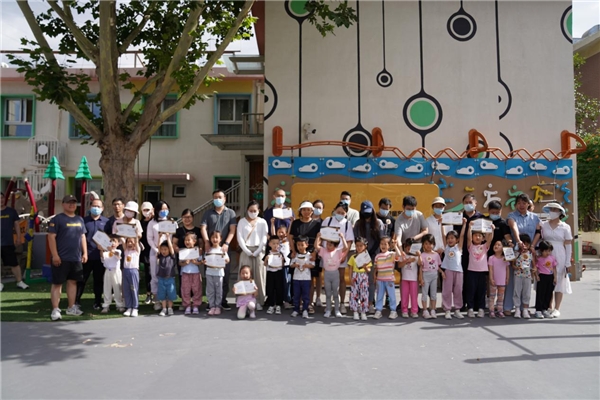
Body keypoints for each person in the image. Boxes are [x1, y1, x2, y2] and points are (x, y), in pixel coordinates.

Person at [48, 195, 88, 321]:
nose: (71, 205)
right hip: (61, 258)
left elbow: (82, 237)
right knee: (57, 283)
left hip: (75, 258)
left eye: (74, 202)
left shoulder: (79, 219)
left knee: (73, 282)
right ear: (63, 204)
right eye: (69, 202)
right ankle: (55, 309)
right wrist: (55, 255)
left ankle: (71, 307)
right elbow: (51, 237)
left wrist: (85, 253)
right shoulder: (57, 219)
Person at [200, 190, 237, 310]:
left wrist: (226, 243)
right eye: (215, 197)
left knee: (224, 276)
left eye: (220, 197)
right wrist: (206, 242)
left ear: (224, 198)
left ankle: (222, 300)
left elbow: (232, 230)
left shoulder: (231, 213)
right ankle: (211, 302)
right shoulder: (208, 213)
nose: (218, 199)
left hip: (223, 249)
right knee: (210, 276)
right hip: (210, 249)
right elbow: (203, 228)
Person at [506, 193, 540, 315]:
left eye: (524, 203)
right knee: (513, 280)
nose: (521, 205)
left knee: (526, 282)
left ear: (528, 204)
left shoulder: (535, 217)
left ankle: (524, 307)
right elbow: (513, 226)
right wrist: (518, 241)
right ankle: (510, 306)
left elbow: (538, 232)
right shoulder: (511, 215)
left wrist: (532, 246)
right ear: (516, 204)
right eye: (519, 203)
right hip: (516, 251)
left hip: (528, 253)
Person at [321, 202, 355, 314]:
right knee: (328, 279)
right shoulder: (328, 220)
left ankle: (341, 303)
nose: (340, 214)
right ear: (334, 210)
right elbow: (322, 236)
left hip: (340, 254)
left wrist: (344, 254)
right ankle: (329, 304)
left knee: (341, 278)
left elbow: (349, 241)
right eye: (338, 212)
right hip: (328, 254)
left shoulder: (347, 223)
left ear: (346, 213)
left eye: (342, 213)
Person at [540, 203, 572, 318]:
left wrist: (568, 262)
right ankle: (549, 306)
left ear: (560, 212)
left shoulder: (565, 227)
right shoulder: (543, 225)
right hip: (546, 254)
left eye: (555, 210)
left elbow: (568, 244)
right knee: (547, 280)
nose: (552, 212)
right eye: (551, 209)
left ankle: (557, 308)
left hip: (560, 254)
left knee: (559, 280)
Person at [452, 194, 483, 310]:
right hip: (461, 252)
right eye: (466, 202)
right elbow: (454, 234)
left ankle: (476, 304)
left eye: (470, 202)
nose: (468, 204)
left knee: (476, 280)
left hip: (477, 254)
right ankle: (462, 303)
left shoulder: (481, 218)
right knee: (462, 279)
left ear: (476, 204)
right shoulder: (458, 218)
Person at [353, 200, 385, 312]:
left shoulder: (378, 223)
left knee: (371, 280)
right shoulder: (358, 224)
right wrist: (362, 253)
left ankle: (370, 303)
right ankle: (361, 302)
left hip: (374, 255)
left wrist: (370, 252)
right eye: (365, 212)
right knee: (360, 280)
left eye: (369, 212)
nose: (367, 215)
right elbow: (356, 239)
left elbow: (380, 239)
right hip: (361, 256)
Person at [76, 198, 108, 309]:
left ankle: (97, 302)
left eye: (98, 206)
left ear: (102, 208)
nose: (96, 208)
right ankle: (76, 301)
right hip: (86, 256)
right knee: (81, 279)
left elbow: (110, 238)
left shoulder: (106, 222)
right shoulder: (83, 221)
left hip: (100, 256)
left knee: (98, 280)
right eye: (94, 206)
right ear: (90, 207)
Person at [237, 200, 268, 311]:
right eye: (251, 210)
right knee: (245, 276)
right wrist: (246, 251)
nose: (253, 212)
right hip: (246, 251)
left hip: (259, 251)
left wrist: (258, 251)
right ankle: (243, 300)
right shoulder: (242, 222)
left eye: (255, 210)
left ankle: (259, 300)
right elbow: (239, 237)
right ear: (247, 210)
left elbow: (264, 237)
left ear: (259, 211)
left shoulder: (262, 222)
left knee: (259, 276)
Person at [313, 231, 348, 318]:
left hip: (335, 274)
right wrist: (318, 237)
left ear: (335, 245)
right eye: (327, 244)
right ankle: (328, 309)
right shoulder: (324, 251)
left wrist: (342, 237)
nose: (328, 246)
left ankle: (337, 310)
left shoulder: (338, 251)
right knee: (328, 293)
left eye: (330, 245)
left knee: (335, 293)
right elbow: (316, 246)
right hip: (327, 274)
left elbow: (346, 247)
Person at [173, 209, 202, 307]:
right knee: (183, 279)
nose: (187, 219)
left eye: (189, 217)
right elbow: (174, 243)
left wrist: (199, 251)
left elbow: (201, 243)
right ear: (182, 218)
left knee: (195, 282)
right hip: (183, 258)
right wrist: (180, 252)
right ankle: (185, 302)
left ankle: (195, 301)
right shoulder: (178, 230)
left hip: (194, 259)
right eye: (184, 217)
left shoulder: (197, 230)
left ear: (193, 218)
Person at [465, 219, 494, 318]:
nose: (477, 237)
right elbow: (468, 238)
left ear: (483, 238)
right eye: (475, 235)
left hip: (482, 272)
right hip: (471, 271)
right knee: (471, 290)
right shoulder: (470, 246)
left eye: (479, 236)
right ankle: (470, 308)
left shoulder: (484, 247)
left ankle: (481, 308)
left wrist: (492, 230)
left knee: (482, 291)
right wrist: (469, 227)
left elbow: (490, 239)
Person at [0, 192, 29, 290]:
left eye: (2, 198)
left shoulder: (11, 211)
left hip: (7, 242)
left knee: (14, 263)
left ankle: (19, 282)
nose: (1, 200)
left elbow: (17, 225)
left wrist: (19, 237)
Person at [147, 200, 171, 311]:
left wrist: (169, 250)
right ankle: (157, 300)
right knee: (155, 276)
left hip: (168, 254)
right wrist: (156, 249)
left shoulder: (171, 222)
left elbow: (172, 238)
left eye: (166, 209)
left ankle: (167, 300)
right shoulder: (152, 223)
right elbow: (149, 238)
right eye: (162, 209)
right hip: (155, 253)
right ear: (156, 210)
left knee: (167, 276)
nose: (164, 211)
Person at [441, 227, 465, 320]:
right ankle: (447, 310)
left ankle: (457, 310)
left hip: (458, 271)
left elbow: (462, 236)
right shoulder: (446, 247)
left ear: (457, 240)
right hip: (448, 271)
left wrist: (464, 224)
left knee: (458, 290)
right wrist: (441, 224)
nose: (450, 240)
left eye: (452, 238)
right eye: (448, 238)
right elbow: (443, 235)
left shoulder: (458, 247)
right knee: (447, 290)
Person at [373, 236, 399, 320]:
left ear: (389, 246)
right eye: (381, 244)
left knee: (391, 295)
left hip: (389, 279)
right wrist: (374, 275)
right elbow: (375, 267)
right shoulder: (377, 256)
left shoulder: (392, 254)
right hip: (380, 279)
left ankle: (393, 311)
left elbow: (399, 255)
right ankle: (378, 310)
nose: (383, 246)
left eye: (385, 244)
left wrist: (395, 246)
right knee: (379, 295)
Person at [178, 232, 204, 315]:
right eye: (185, 240)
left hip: (195, 273)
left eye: (189, 240)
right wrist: (185, 263)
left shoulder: (197, 251)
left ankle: (196, 305)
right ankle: (187, 305)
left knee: (196, 289)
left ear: (194, 241)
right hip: (185, 273)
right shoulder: (183, 251)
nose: (187, 242)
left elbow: (201, 262)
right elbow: (180, 263)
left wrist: (195, 262)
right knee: (185, 289)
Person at [418, 234, 442, 319]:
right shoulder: (422, 255)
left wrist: (442, 272)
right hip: (425, 275)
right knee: (424, 293)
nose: (428, 245)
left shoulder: (436, 255)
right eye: (426, 243)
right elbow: (420, 266)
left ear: (433, 244)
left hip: (434, 275)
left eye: (430, 243)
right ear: (423, 245)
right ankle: (425, 310)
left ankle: (433, 310)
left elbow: (437, 266)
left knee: (433, 294)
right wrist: (421, 278)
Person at [205, 231, 230, 316]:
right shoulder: (208, 249)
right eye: (213, 237)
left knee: (218, 290)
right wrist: (204, 261)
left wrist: (224, 261)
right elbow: (204, 259)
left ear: (220, 239)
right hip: (209, 272)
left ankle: (218, 306)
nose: (214, 239)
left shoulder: (222, 249)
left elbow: (227, 260)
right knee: (210, 290)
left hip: (219, 273)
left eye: (216, 237)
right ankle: (212, 306)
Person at [347, 237, 372, 321]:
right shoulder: (353, 257)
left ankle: (363, 312)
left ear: (365, 246)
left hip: (363, 276)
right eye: (357, 246)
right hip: (355, 275)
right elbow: (350, 268)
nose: (359, 247)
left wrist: (365, 267)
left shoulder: (366, 257)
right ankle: (355, 311)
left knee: (364, 294)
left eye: (361, 246)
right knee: (354, 294)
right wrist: (350, 277)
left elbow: (369, 270)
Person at [99, 235, 125, 314]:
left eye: (114, 241)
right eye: (110, 241)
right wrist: (101, 250)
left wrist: (111, 250)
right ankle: (106, 305)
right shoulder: (106, 253)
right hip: (108, 271)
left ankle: (119, 304)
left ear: (118, 243)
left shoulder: (118, 251)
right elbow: (102, 258)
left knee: (117, 288)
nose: (112, 243)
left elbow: (117, 255)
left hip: (116, 271)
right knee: (107, 288)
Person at [290, 235, 313, 318]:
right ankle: (296, 309)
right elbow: (291, 265)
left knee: (305, 295)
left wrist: (307, 265)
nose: (300, 247)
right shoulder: (295, 255)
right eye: (298, 245)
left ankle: (305, 310)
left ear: (306, 245)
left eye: (302, 245)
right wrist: (295, 265)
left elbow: (313, 265)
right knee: (296, 295)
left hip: (306, 278)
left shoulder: (309, 255)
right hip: (296, 278)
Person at [533, 240, 557, 319]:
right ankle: (538, 310)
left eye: (549, 251)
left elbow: (554, 268)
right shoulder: (539, 259)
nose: (548, 253)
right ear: (541, 250)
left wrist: (555, 277)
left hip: (550, 276)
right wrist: (536, 276)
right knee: (540, 293)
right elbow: (535, 268)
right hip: (542, 276)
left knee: (548, 293)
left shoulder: (552, 258)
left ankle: (545, 309)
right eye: (546, 251)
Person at [513, 234, 534, 319]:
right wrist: (516, 267)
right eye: (523, 244)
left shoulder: (530, 253)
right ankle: (517, 309)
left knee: (527, 292)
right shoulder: (516, 253)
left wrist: (534, 271)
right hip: (518, 275)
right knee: (517, 291)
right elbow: (513, 264)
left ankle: (525, 309)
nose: (525, 246)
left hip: (527, 275)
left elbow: (534, 265)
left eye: (527, 244)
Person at [264, 235, 286, 315]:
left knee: (279, 288)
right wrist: (266, 259)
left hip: (278, 272)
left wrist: (282, 260)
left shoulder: (281, 254)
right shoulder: (268, 253)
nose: (275, 245)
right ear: (270, 244)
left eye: (277, 243)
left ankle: (278, 305)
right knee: (270, 288)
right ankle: (271, 304)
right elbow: (265, 264)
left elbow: (282, 265)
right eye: (273, 243)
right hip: (270, 272)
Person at [309, 199, 325, 311]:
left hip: (319, 251)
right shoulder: (308, 221)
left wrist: (317, 250)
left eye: (320, 208)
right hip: (307, 251)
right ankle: (309, 298)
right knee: (310, 276)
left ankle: (318, 297)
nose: (317, 209)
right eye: (316, 207)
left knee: (318, 276)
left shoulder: (323, 223)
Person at [488, 240, 509, 319]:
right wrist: (491, 278)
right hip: (494, 280)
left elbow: (507, 269)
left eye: (499, 245)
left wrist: (507, 278)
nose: (496, 246)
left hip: (502, 281)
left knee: (501, 297)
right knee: (492, 296)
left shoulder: (505, 259)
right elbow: (490, 269)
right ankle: (491, 310)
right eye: (495, 244)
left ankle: (500, 310)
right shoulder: (491, 258)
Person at [397, 239, 419, 318]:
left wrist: (419, 255)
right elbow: (399, 265)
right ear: (405, 247)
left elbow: (420, 263)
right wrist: (406, 261)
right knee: (404, 295)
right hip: (404, 279)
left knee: (414, 296)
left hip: (414, 279)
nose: (409, 249)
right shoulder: (403, 255)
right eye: (407, 247)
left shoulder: (416, 256)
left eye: (411, 247)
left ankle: (414, 311)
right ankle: (404, 310)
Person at [156, 234, 177, 316]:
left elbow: (171, 247)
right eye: (162, 250)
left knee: (171, 293)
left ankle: (170, 308)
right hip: (161, 278)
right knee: (162, 294)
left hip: (170, 278)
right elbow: (158, 246)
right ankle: (164, 308)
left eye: (165, 249)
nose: (163, 251)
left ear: (169, 250)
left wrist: (168, 237)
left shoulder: (172, 256)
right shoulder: (160, 256)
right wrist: (159, 237)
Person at [122, 236, 141, 317]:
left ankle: (135, 307)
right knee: (126, 289)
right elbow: (122, 239)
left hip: (133, 271)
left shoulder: (136, 251)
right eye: (128, 242)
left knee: (134, 289)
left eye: (131, 242)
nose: (129, 243)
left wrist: (136, 236)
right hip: (125, 271)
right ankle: (129, 307)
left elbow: (136, 241)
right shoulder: (126, 251)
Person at [139, 202, 154, 304]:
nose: (146, 212)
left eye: (148, 209)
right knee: (148, 273)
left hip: (155, 250)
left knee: (156, 273)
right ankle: (149, 294)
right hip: (144, 251)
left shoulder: (155, 222)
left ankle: (157, 294)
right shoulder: (140, 223)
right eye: (144, 210)